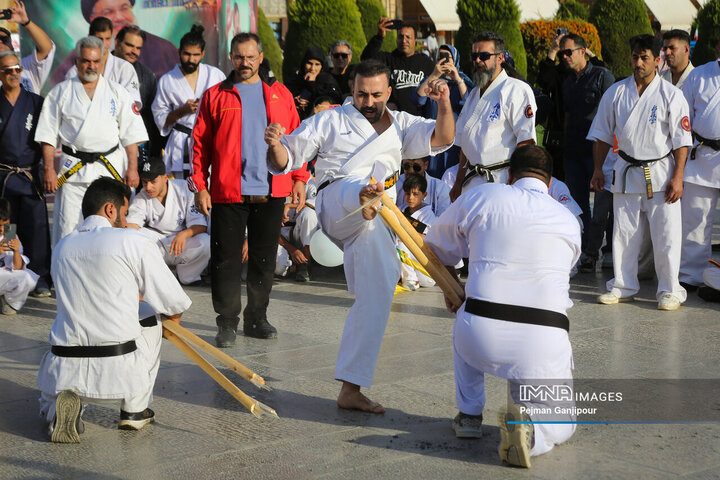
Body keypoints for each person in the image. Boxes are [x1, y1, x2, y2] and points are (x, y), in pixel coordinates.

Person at [265, 59, 454, 413]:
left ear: (388, 92)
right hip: (337, 202)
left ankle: (351, 388)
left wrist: (443, 102)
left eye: (376, 95)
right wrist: (276, 143)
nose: (368, 101)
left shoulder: (401, 124)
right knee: (362, 186)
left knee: (378, 292)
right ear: (352, 90)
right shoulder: (330, 120)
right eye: (362, 94)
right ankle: (366, 195)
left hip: (376, 218)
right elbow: (285, 156)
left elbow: (443, 137)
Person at [425, 144, 580, 468]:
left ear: (509, 176)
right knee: (563, 422)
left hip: (480, 333)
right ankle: (533, 434)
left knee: (465, 316)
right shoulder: (568, 220)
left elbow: (435, 245)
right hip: (542, 339)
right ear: (550, 184)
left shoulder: (484, 195)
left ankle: (469, 416)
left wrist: (452, 285)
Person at [37, 177, 191, 443]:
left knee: (82, 322)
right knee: (151, 317)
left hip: (62, 364)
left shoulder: (62, 247)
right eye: (125, 212)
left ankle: (55, 411)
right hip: (117, 368)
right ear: (111, 210)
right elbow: (172, 300)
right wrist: (172, 319)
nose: (126, 219)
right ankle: (134, 409)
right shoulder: (131, 240)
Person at [189, 32, 310, 346]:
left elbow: (298, 139)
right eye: (239, 57)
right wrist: (199, 186)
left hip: (272, 190)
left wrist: (299, 178)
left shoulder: (280, 94)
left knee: (264, 259)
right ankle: (227, 322)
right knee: (225, 260)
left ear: (260, 57)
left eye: (250, 57)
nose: (245, 63)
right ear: (231, 58)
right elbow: (199, 145)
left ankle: (257, 318)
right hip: (228, 191)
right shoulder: (216, 95)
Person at [588, 34, 691, 310]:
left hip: (660, 173)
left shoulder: (671, 95)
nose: (639, 62)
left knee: (666, 236)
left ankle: (670, 290)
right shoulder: (617, 92)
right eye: (635, 56)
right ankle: (623, 284)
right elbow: (601, 135)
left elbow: (682, 141)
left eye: (645, 57)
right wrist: (598, 169)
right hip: (625, 172)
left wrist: (678, 177)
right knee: (624, 235)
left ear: (658, 60)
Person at [35, 36, 147, 246]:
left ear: (103, 61)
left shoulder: (117, 92)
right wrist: (49, 169)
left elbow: (131, 134)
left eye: (96, 61)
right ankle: (64, 275)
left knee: (109, 227)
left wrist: (133, 168)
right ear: (76, 61)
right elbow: (48, 135)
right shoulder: (61, 92)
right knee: (68, 226)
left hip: (109, 169)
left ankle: (107, 272)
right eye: (86, 60)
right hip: (73, 171)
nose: (91, 66)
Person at [450, 32, 536, 201]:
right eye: (474, 56)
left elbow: (526, 142)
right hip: (472, 181)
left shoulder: (516, 89)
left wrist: (515, 181)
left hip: (502, 180)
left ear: (500, 58)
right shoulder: (474, 94)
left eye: (484, 56)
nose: (478, 61)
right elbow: (464, 143)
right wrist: (458, 181)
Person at [558, 33, 615, 272]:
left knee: (604, 206)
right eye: (562, 53)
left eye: (568, 52)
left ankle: (608, 250)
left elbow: (614, 114)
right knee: (578, 206)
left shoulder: (602, 77)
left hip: (599, 151)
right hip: (573, 150)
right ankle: (585, 253)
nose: (564, 57)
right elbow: (567, 115)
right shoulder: (568, 81)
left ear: (583, 51)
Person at [0, 50, 52, 296]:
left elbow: (46, 140)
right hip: (4, 180)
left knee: (36, 227)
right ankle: (11, 276)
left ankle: (40, 277)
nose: (13, 74)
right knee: (9, 229)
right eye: (7, 70)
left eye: (17, 69)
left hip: (30, 177)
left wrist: (47, 170)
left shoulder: (35, 102)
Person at [152, 25, 225, 178]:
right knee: (181, 189)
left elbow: (226, 108)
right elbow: (160, 120)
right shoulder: (168, 80)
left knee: (208, 186)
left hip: (208, 139)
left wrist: (207, 106)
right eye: (186, 54)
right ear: (179, 52)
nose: (191, 59)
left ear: (203, 54)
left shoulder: (215, 76)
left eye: (196, 55)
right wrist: (182, 111)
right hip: (181, 142)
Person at [126, 156, 210, 286]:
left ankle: (188, 276)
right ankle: (154, 277)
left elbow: (200, 225)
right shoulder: (141, 197)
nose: (148, 187)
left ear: (165, 178)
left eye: (153, 181)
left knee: (205, 241)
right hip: (157, 243)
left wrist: (184, 234)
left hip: (181, 242)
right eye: (144, 182)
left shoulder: (184, 189)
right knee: (134, 236)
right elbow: (132, 225)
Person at [51, 0, 177, 83]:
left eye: (124, 8)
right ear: (93, 18)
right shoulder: (76, 61)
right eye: (109, 12)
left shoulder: (163, 49)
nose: (120, 17)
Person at [678, 55, 720, 289]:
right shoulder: (699, 75)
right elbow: (684, 119)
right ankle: (691, 275)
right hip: (703, 155)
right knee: (696, 217)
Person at [411, 44, 473, 178]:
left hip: (455, 140)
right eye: (440, 57)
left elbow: (470, 103)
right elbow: (418, 99)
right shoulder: (431, 80)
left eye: (448, 57)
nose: (444, 61)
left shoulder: (463, 80)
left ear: (455, 59)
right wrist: (434, 75)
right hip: (433, 137)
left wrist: (457, 78)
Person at [361, 18, 435, 115]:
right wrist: (379, 36)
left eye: (408, 37)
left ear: (415, 40)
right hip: (393, 118)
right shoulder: (388, 59)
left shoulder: (425, 62)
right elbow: (366, 58)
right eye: (401, 36)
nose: (404, 40)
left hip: (418, 119)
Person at [65, 17, 141, 107]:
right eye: (99, 39)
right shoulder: (74, 72)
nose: (103, 44)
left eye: (108, 39)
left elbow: (132, 104)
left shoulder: (124, 68)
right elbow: (70, 104)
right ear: (90, 37)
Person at [114, 25, 164, 157]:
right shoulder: (102, 66)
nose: (134, 51)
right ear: (117, 42)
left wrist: (155, 152)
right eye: (130, 45)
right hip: (104, 141)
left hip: (134, 145)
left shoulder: (146, 75)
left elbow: (151, 117)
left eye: (138, 48)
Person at [0, 1, 55, 95]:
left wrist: (25, 22)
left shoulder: (26, 68)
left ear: (12, 45)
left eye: (4, 39)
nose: (0, 42)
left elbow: (46, 49)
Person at [0, 198, 39, 314]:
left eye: (5, 224)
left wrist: (16, 251)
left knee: (28, 278)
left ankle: (9, 302)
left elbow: (17, 268)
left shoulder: (10, 234)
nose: (2, 229)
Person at [398, 173, 436, 290]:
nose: (410, 197)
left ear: (424, 195)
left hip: (427, 271)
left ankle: (411, 280)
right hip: (410, 264)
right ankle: (406, 277)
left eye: (415, 194)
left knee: (401, 243)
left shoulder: (429, 216)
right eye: (407, 193)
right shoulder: (402, 211)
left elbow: (433, 239)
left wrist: (408, 235)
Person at [285, 46, 343, 119]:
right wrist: (294, 101)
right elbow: (284, 97)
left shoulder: (327, 80)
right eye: (309, 63)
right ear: (304, 63)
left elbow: (333, 98)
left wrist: (312, 83)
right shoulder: (296, 79)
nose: (312, 68)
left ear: (322, 66)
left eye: (317, 64)